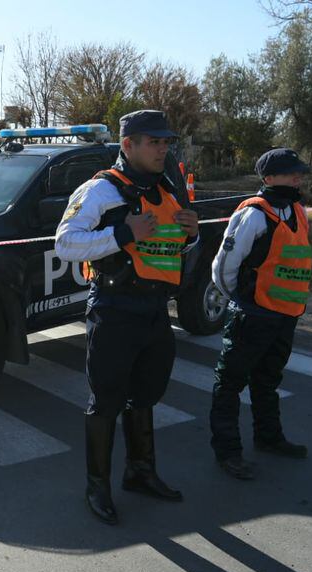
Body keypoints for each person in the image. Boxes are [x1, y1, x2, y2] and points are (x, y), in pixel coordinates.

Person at [55, 110, 201, 525]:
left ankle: (140, 472)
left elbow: (179, 247)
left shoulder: (168, 187)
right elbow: (65, 243)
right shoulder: (101, 190)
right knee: (106, 401)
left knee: (146, 396)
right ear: (127, 145)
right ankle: (97, 487)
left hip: (156, 311)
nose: (162, 149)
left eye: (165, 142)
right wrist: (123, 233)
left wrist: (192, 233)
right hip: (114, 310)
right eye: (153, 142)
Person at [209, 148, 312, 480]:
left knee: (268, 380)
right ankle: (228, 452)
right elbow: (223, 267)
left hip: (285, 316)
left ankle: (269, 438)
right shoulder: (253, 214)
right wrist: (241, 300)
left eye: (299, 172)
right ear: (268, 179)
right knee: (229, 384)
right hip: (253, 316)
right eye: (290, 172)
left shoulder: (298, 210)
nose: (298, 177)